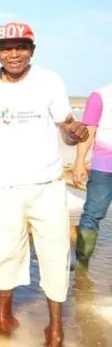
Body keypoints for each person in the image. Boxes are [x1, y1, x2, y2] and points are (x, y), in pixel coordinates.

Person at [0, 22, 89, 347]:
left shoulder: (50, 81)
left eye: (20, 47)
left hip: (46, 184)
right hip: (3, 185)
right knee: (3, 253)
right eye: (6, 48)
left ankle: (54, 327)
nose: (13, 54)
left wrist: (76, 133)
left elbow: (66, 128)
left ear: (32, 50)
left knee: (55, 253)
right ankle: (3, 316)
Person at [73, 83, 112, 271]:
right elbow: (88, 132)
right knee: (92, 214)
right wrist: (79, 162)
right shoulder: (100, 96)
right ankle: (81, 265)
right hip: (103, 168)